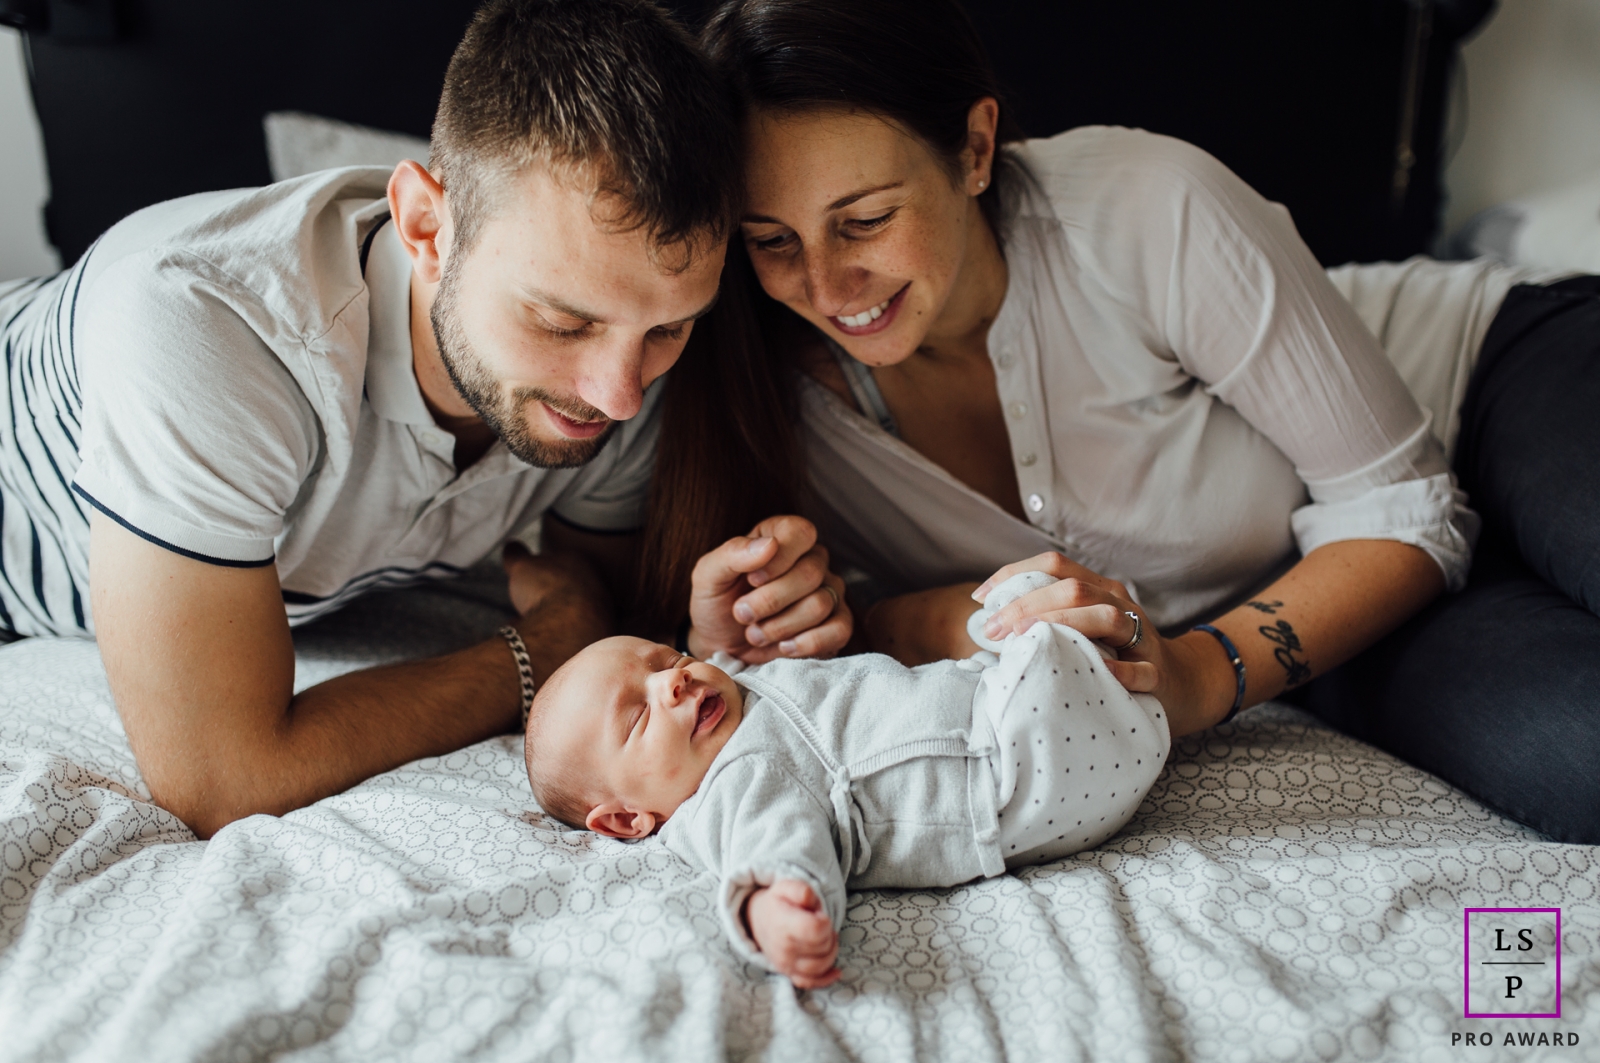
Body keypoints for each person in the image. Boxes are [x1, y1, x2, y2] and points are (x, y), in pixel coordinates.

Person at [697, 0, 1600, 843]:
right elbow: (839, 638)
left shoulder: (1139, 207)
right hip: (1345, 591)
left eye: (864, 220)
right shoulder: (769, 402)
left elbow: (1401, 502)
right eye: (773, 241)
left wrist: (1201, 675)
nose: (823, 286)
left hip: (1490, 380)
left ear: (974, 149)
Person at [0, 0, 848, 839]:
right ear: (427, 228)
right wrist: (531, 652)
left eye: (668, 328)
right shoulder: (205, 329)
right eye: (561, 322)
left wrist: (707, 637)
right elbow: (220, 778)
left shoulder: (626, 366)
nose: (620, 395)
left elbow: (600, 613)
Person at [524, 572, 1170, 987]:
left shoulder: (730, 689)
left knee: (1030, 593)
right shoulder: (735, 783)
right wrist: (773, 905)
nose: (673, 681)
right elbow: (772, 845)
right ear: (627, 818)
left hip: (994, 702)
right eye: (639, 716)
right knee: (1039, 638)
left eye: (667, 659)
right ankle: (1095, 672)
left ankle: (1095, 661)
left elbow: (723, 653)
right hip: (1001, 778)